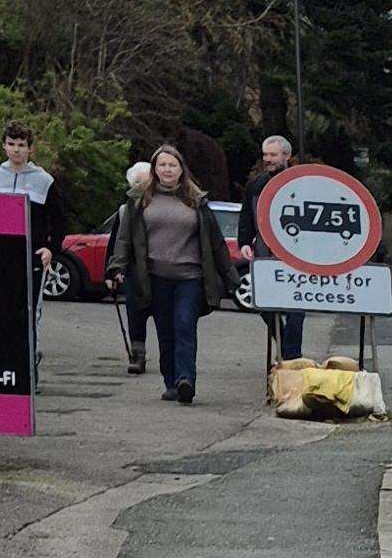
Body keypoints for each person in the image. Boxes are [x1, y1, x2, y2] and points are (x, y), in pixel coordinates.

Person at [104, 144, 240, 405]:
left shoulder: (196, 200)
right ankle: (171, 382)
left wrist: (232, 279)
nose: (167, 169)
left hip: (190, 277)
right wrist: (116, 266)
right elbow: (125, 239)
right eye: (162, 165)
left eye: (172, 165)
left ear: (181, 169)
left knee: (184, 325)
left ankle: (185, 379)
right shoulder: (138, 199)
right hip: (154, 277)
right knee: (165, 331)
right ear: (155, 169)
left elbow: (216, 244)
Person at [247, 132, 307, 365]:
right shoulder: (256, 185)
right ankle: (283, 344)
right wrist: (245, 242)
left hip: (296, 256)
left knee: (296, 307)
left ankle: (292, 355)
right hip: (265, 253)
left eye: (273, 155)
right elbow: (246, 216)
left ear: (287, 156)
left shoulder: (301, 183)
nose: (268, 159)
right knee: (265, 305)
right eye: (265, 155)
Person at [0, 121, 68, 286]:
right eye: (11, 144)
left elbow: (59, 220)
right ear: (4, 146)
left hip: (32, 256)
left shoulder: (44, 180)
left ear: (30, 148)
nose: (16, 149)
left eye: (21, 145)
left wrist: (51, 249)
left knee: (29, 308)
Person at [104, 162, 156, 373]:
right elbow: (116, 241)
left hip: (158, 267)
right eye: (137, 183)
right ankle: (138, 355)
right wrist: (112, 271)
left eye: (146, 182)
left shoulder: (161, 207)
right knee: (135, 314)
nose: (142, 186)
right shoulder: (125, 210)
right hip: (134, 269)